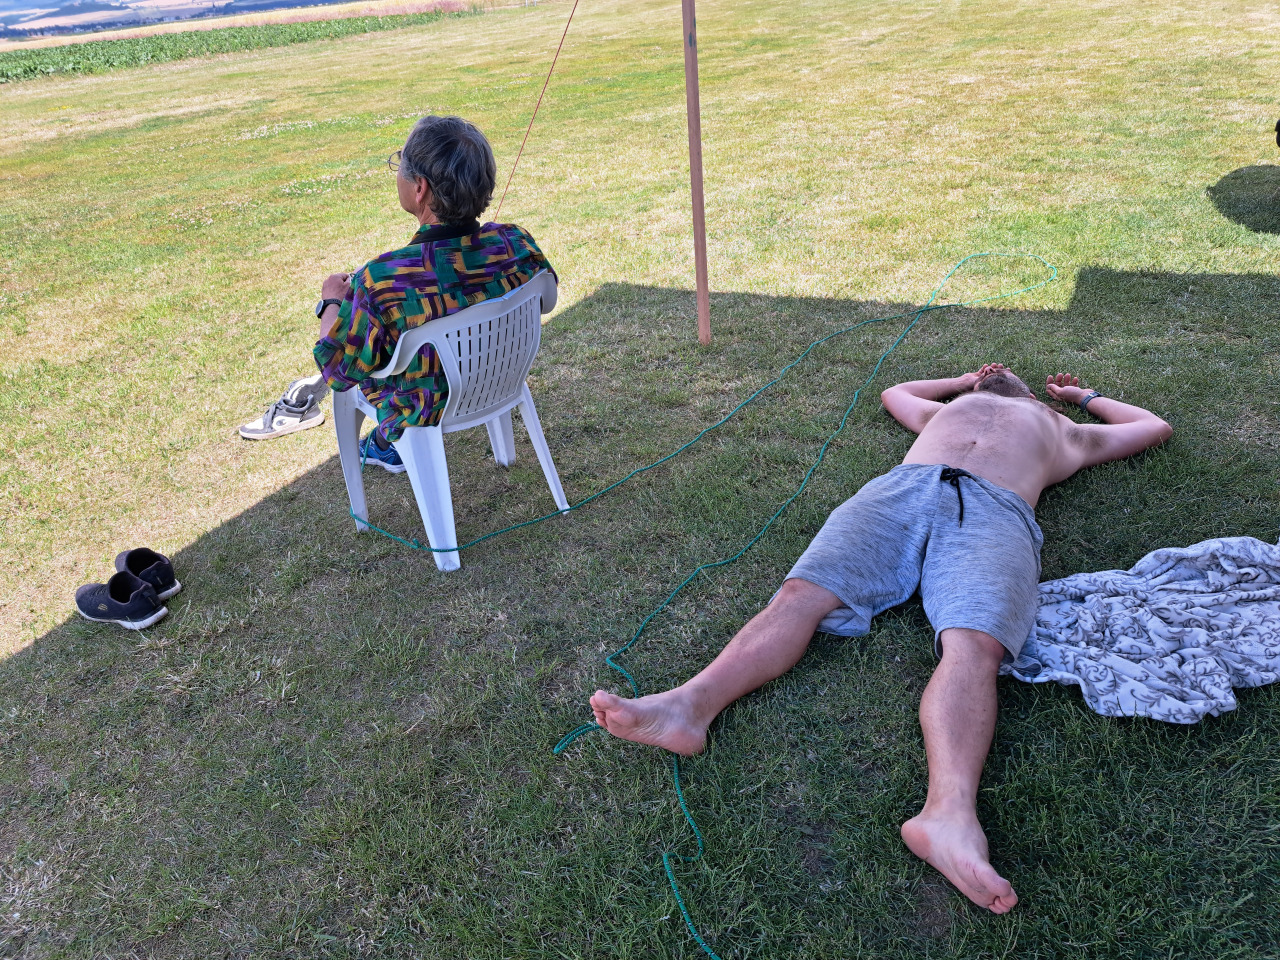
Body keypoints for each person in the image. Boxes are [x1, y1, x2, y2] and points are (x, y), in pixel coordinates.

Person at [589, 364, 1172, 914]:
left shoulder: (1066, 431)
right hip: (899, 492)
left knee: (976, 644)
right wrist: (961, 381)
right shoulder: (946, 409)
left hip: (994, 512)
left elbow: (1153, 427)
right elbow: (896, 393)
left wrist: (1081, 398)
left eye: (999, 372)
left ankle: (949, 817)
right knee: (799, 596)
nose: (996, 370)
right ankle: (686, 708)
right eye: (985, 374)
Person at [241, 116, 554, 462]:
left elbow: (335, 370)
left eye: (400, 163)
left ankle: (386, 444)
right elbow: (548, 298)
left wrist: (331, 300)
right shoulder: (515, 241)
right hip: (497, 380)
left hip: (424, 407)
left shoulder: (382, 280)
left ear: (420, 188)